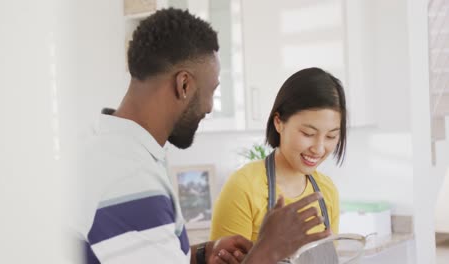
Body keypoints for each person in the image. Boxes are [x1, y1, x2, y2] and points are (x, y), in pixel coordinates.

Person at [77, 8, 330, 264]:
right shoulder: (130, 178)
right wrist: (268, 251)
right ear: (184, 85)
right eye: (212, 91)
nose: (209, 107)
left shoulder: (114, 150)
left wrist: (200, 254)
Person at [210, 68, 347, 243]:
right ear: (279, 123)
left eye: (331, 136)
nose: (319, 149)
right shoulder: (243, 188)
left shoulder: (327, 191)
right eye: (308, 133)